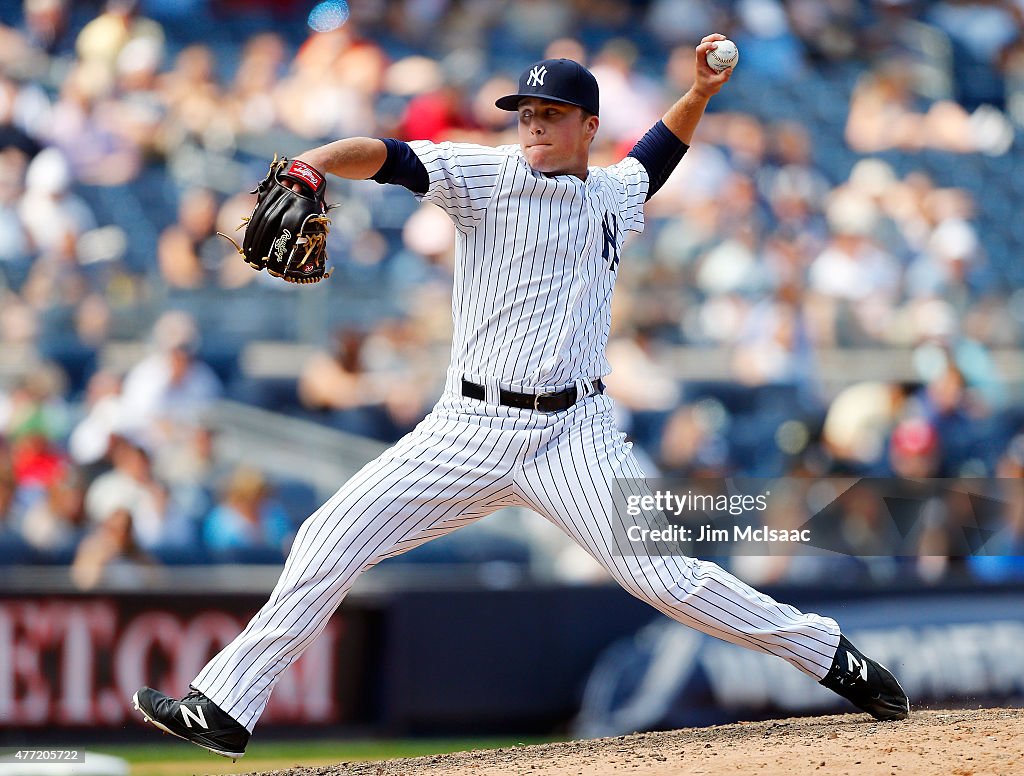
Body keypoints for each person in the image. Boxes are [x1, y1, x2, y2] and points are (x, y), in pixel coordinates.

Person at [132, 36, 908, 761]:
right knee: (327, 537)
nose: (533, 125)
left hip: (577, 434)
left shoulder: (613, 194)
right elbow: (388, 156)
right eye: (527, 113)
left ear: (587, 126)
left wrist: (700, 91)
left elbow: (659, 152)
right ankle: (227, 705)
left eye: (551, 115)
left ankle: (828, 654)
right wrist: (310, 164)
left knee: (670, 580)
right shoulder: (484, 176)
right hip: (468, 425)